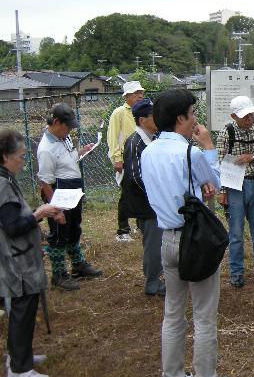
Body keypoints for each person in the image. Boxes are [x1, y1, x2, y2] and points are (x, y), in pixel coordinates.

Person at [140, 88, 231, 377]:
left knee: (173, 312)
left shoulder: (148, 152)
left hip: (167, 237)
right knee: (204, 314)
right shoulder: (190, 152)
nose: (195, 120)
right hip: (195, 239)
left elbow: (181, 187)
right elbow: (216, 182)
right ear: (181, 118)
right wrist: (207, 146)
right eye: (192, 114)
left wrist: (196, 187)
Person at [1, 130, 64, 377]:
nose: (23, 161)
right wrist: (40, 213)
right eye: (20, 156)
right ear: (5, 157)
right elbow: (12, 226)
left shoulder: (7, 178)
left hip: (22, 258)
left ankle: (19, 356)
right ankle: (19, 369)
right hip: (17, 263)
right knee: (21, 312)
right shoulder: (2, 185)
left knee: (24, 310)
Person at [37, 103, 103, 291]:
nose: (69, 131)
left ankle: (78, 265)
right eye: (67, 126)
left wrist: (81, 152)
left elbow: (67, 160)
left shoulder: (62, 139)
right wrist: (55, 209)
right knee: (59, 233)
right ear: (56, 122)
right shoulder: (46, 148)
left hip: (73, 190)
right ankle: (58, 274)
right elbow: (45, 182)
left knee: (74, 228)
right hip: (60, 192)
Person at [215, 95, 254, 288]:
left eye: (251, 114)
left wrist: (253, 157)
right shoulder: (227, 133)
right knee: (236, 233)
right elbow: (220, 162)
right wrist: (222, 191)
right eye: (245, 116)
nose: (249, 119)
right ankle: (236, 272)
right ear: (234, 116)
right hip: (234, 186)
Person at [121, 97, 165, 297]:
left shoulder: (154, 139)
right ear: (142, 120)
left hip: (156, 201)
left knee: (160, 241)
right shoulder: (135, 142)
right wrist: (156, 193)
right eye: (153, 115)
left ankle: (159, 277)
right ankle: (152, 282)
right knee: (153, 243)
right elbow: (135, 176)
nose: (158, 118)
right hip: (147, 204)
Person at [108, 80, 143, 242]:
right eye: (136, 93)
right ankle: (122, 230)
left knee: (143, 192)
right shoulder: (119, 112)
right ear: (127, 96)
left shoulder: (143, 111)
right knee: (126, 193)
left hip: (142, 157)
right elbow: (113, 137)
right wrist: (117, 158)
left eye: (141, 93)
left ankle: (141, 224)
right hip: (125, 158)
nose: (140, 96)